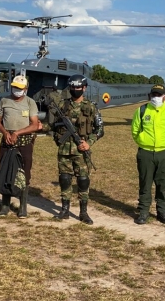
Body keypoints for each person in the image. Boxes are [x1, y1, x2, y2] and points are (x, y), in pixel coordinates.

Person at [50, 74, 104, 225]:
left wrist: (89, 143)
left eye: (78, 87)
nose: (75, 90)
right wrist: (56, 137)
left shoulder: (91, 106)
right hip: (64, 150)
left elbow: (100, 129)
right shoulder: (62, 105)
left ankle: (83, 212)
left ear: (84, 88)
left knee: (82, 180)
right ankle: (65, 210)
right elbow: (53, 125)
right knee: (65, 179)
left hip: (81, 150)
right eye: (72, 87)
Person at [130, 84, 165, 225]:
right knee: (145, 183)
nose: (156, 97)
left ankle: (162, 212)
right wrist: (143, 141)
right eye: (153, 95)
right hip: (145, 153)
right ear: (149, 96)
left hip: (164, 153)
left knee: (163, 184)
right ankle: (143, 212)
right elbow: (135, 131)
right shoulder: (141, 110)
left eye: (159, 95)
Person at [0, 75, 40, 218]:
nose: (16, 90)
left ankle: (22, 206)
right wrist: (5, 132)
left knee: (24, 173)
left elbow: (35, 125)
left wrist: (18, 133)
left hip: (24, 142)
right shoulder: (4, 101)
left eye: (20, 88)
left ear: (25, 89)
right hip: (7, 141)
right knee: (5, 170)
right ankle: (5, 205)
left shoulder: (30, 103)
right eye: (15, 87)